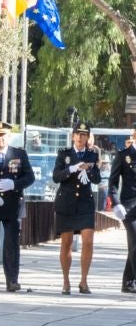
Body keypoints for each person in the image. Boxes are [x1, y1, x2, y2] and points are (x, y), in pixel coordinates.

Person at [0, 122, 35, 292]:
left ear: (9, 137)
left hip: (12, 206)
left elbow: (30, 177)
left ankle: (12, 279)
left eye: (2, 135)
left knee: (11, 244)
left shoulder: (19, 154)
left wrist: (14, 184)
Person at [51, 123, 102, 294]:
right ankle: (66, 281)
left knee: (88, 241)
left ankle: (84, 281)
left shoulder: (92, 155)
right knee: (66, 243)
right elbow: (56, 176)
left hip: (85, 204)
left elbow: (97, 179)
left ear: (88, 137)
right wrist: (71, 169)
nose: (80, 137)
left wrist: (89, 170)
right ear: (73, 136)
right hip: (66, 202)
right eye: (77, 134)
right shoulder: (64, 154)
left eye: (84, 134)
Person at [109, 130, 136, 294]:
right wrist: (116, 203)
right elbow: (112, 182)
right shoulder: (124, 155)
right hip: (129, 207)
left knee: (133, 245)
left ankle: (128, 281)